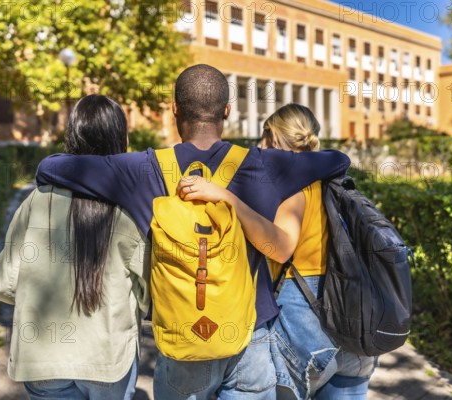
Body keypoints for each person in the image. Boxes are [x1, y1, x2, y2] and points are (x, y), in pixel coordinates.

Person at [34, 64, 351, 399]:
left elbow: (51, 167)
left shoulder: (139, 169)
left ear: (174, 110)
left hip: (180, 339)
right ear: (227, 111)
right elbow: (338, 160)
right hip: (249, 336)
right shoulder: (265, 164)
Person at [176, 103, 377, 400]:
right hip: (356, 327)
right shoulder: (338, 181)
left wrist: (227, 198)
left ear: (272, 136)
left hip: (308, 326)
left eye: (263, 136)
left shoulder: (296, 184)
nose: (259, 145)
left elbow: (281, 248)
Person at [0, 95, 150, 400]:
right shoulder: (128, 207)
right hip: (108, 360)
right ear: (119, 138)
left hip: (43, 360)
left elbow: (5, 281)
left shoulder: (35, 200)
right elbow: (148, 291)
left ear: (72, 135)